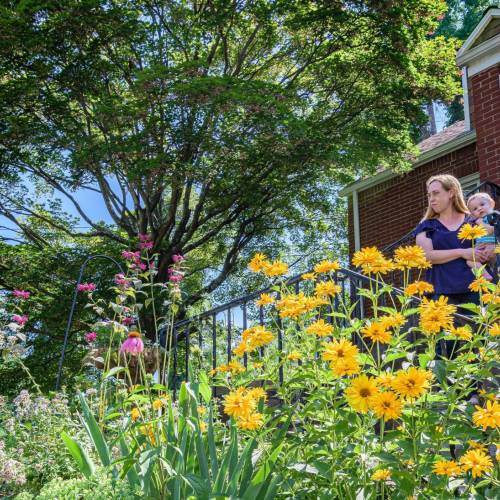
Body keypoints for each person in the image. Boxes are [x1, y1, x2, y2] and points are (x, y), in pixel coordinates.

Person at [413, 174, 490, 312]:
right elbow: (425, 256)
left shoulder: (473, 220)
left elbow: (489, 251)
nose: (432, 199)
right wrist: (462, 252)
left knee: (481, 333)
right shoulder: (426, 226)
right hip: (441, 293)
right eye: (429, 195)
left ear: (451, 192)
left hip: (477, 290)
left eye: (436, 193)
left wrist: (487, 252)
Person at [466, 192, 497, 280]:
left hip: (493, 246)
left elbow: (491, 230)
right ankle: (485, 275)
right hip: (480, 249)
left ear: (491, 204)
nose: (479, 208)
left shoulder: (494, 216)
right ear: (472, 214)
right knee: (470, 260)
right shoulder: (474, 223)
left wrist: (481, 223)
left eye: (482, 204)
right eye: (475, 209)